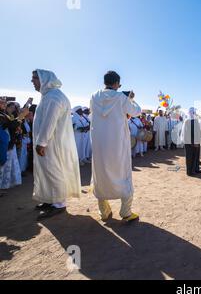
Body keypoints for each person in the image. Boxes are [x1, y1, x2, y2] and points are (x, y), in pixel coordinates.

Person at [90, 71, 141, 222]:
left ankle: (104, 211)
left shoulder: (94, 97)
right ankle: (126, 212)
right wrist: (131, 98)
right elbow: (136, 112)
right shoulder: (122, 98)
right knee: (123, 173)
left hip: (100, 143)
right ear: (117, 83)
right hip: (118, 144)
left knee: (100, 173)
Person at [31, 69, 81, 220]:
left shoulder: (53, 97)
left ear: (44, 79)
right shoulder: (48, 96)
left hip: (51, 144)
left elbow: (49, 122)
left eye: (35, 78)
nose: (32, 81)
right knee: (45, 171)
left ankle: (59, 203)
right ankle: (49, 199)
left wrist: (42, 143)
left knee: (53, 172)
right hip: (47, 144)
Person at [0, 99, 27, 191]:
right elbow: (10, 125)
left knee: (6, 166)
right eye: (1, 102)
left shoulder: (5, 115)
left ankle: (4, 185)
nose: (3, 104)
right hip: (3, 143)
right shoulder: (2, 115)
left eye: (4, 102)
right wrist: (21, 116)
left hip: (9, 142)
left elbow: (12, 125)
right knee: (2, 165)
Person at [182, 107, 201, 176]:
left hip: (195, 142)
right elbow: (189, 133)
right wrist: (194, 143)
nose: (195, 113)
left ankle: (196, 169)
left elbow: (198, 131)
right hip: (189, 142)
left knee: (195, 156)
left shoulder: (195, 120)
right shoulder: (188, 121)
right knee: (190, 157)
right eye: (193, 112)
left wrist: (200, 140)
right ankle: (189, 172)